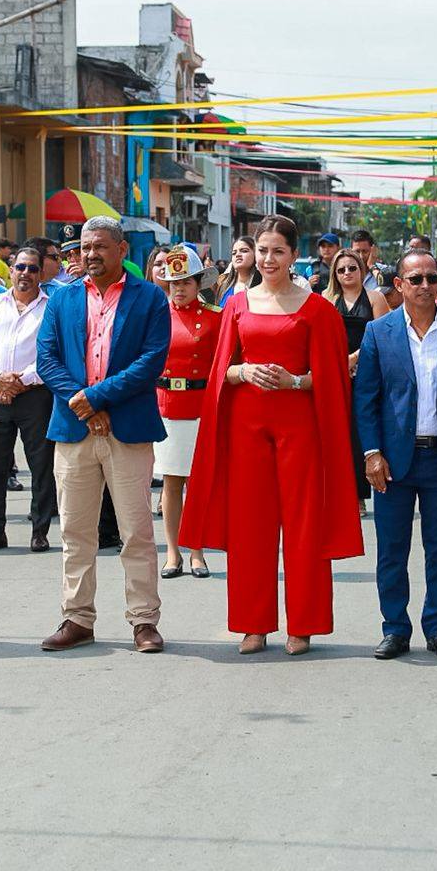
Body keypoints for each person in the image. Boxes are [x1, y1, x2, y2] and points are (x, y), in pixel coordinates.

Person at [180, 214, 362, 656]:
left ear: (294, 254)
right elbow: (221, 370)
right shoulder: (237, 306)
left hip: (301, 427)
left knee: (304, 526)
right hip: (246, 426)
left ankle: (304, 624)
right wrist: (244, 371)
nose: (268, 259)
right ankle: (253, 624)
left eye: (278, 251)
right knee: (250, 527)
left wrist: (294, 381)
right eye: (262, 250)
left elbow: (333, 379)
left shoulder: (317, 309)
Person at [34, 216, 170, 654]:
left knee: (136, 531)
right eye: (85, 247)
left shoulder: (149, 297)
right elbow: (47, 358)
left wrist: (96, 398)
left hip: (126, 428)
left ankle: (144, 621)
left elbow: (151, 361)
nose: (89, 254)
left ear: (122, 250)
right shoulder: (63, 298)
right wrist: (83, 403)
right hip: (74, 430)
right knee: (75, 532)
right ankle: (77, 618)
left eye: (99, 246)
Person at [354, 250, 437, 660]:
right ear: (399, 285)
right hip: (393, 461)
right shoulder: (378, 332)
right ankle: (395, 629)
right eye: (416, 279)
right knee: (392, 551)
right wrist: (372, 453)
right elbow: (366, 400)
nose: (425, 286)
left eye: (432, 278)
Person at [0, 245, 56, 554]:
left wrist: (21, 381)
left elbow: (52, 353)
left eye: (32, 268)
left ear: (41, 274)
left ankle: (40, 531)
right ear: (12, 270)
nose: (25, 274)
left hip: (35, 396)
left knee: (41, 464)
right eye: (20, 267)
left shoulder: (51, 308)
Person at [152, 245, 217, 579]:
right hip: (166, 404)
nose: (179, 288)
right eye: (174, 282)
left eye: (186, 282)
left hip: (200, 405)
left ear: (198, 283)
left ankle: (197, 551)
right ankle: (172, 552)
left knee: (197, 484)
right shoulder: (156, 314)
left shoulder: (214, 317)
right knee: (171, 482)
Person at [326, 247, 390, 508]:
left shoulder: (375, 297)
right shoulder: (327, 299)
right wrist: (338, 363)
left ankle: (361, 493)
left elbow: (384, 336)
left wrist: (355, 359)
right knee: (338, 433)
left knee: (361, 432)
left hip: (368, 371)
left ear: (361, 270)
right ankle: (341, 492)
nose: (347, 273)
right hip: (335, 371)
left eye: (352, 268)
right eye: (341, 269)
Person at [214, 235, 261, 305]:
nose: (237, 255)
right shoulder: (224, 287)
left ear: (256, 254)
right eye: (234, 253)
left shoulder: (263, 286)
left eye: (244, 251)